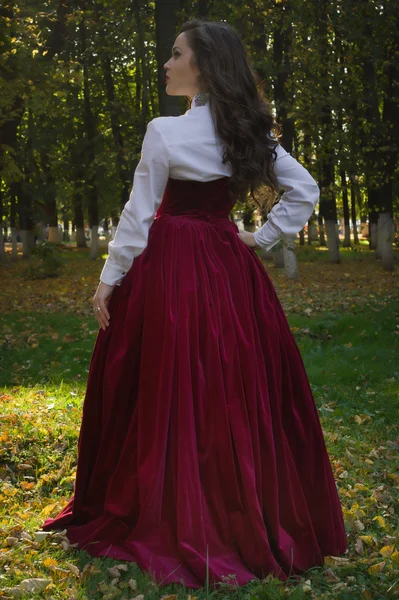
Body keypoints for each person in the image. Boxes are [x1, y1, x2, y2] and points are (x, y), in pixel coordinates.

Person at [41, 19, 347, 590]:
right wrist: (260, 238)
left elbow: (138, 215)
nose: (165, 63)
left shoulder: (164, 132)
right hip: (229, 271)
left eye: (175, 54)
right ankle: (238, 503)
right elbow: (304, 189)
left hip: (172, 269)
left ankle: (170, 499)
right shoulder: (248, 132)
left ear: (201, 66)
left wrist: (109, 279)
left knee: (166, 378)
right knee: (229, 381)